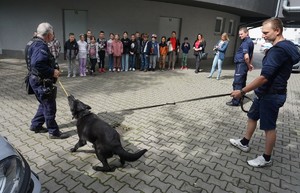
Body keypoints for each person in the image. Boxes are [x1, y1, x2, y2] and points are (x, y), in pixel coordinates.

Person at [230, 18, 300, 167]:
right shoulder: (286, 46)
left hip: (272, 95)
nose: (263, 35)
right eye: (262, 32)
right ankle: (244, 142)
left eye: (266, 32)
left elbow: (263, 78)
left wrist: (241, 91)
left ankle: (266, 158)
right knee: (252, 116)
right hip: (264, 93)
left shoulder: (278, 51)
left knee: (269, 127)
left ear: (277, 31)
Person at [26, 22, 69, 139]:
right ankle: (54, 132)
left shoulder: (32, 42)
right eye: (52, 34)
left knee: (43, 103)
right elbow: (37, 63)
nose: (53, 36)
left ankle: (36, 125)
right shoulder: (41, 46)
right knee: (50, 106)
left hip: (34, 79)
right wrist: (52, 72)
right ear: (48, 34)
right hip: (41, 81)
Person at [226, 27, 254, 106]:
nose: (240, 36)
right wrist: (250, 64)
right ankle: (241, 98)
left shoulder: (245, 43)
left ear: (246, 33)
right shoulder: (250, 42)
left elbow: (247, 56)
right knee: (242, 82)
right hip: (243, 65)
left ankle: (235, 101)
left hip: (241, 65)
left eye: (241, 34)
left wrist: (248, 65)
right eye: (239, 34)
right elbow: (252, 55)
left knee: (237, 83)